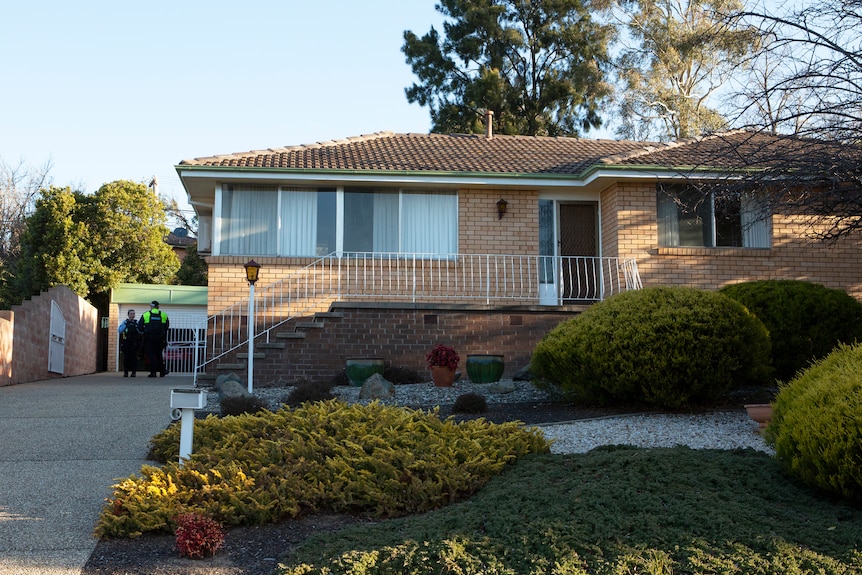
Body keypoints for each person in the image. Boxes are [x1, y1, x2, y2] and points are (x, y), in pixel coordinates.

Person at [139, 300, 170, 378]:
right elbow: (166, 327)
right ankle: (162, 372)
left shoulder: (146, 314)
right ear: (158, 307)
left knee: (151, 355)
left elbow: (139, 327)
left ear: (151, 307)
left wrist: (144, 332)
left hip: (149, 338)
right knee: (159, 355)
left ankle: (153, 373)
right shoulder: (164, 315)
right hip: (160, 338)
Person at [117, 309, 142, 377]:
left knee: (134, 358)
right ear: (128, 315)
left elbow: (141, 331)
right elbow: (120, 330)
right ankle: (126, 372)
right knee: (126, 358)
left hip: (134, 343)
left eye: (133, 314)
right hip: (126, 342)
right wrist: (125, 325)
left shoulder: (137, 323)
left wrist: (137, 327)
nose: (132, 315)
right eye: (131, 314)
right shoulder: (125, 322)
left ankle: (134, 372)